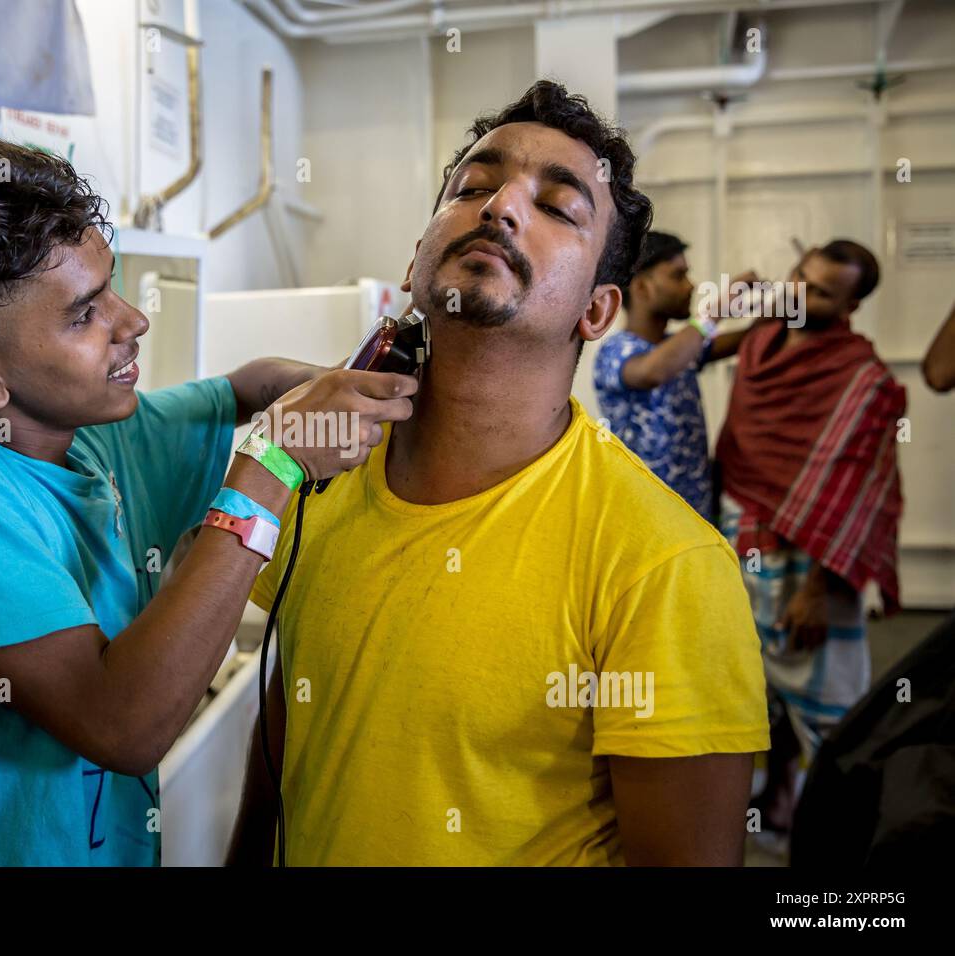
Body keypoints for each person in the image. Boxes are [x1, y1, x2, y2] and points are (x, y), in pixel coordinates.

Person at [0, 138, 416, 865]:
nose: (131, 320)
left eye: (111, 286)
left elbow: (249, 386)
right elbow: (122, 726)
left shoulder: (95, 443)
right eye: (83, 315)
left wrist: (357, 386)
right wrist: (274, 463)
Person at [228, 81, 769, 867]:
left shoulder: (666, 566)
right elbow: (296, 714)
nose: (500, 207)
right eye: (473, 187)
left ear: (596, 310)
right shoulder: (322, 480)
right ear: (416, 260)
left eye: (558, 206)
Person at [714, 240, 905, 836]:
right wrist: (717, 307)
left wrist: (818, 592)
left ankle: (840, 842)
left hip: (810, 570)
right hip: (742, 543)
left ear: (851, 303)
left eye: (820, 291)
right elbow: (679, 355)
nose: (799, 291)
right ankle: (778, 801)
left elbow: (856, 496)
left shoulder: (862, 377)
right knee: (755, 693)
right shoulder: (763, 337)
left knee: (828, 708)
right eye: (799, 276)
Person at [593, 231, 756, 515]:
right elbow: (654, 371)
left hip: (696, 515)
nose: (690, 286)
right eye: (678, 276)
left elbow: (749, 338)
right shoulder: (616, 351)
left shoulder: (678, 347)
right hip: (646, 519)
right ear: (642, 288)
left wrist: (784, 306)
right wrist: (716, 311)